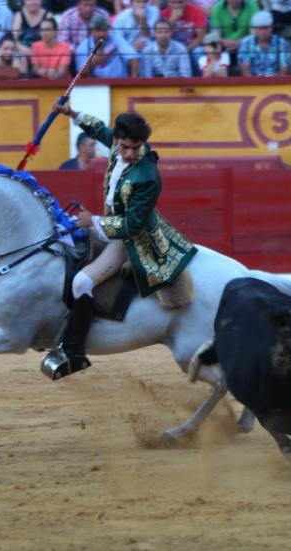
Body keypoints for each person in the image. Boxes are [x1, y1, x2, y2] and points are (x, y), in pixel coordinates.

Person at [43, 102, 198, 378]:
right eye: (124, 147)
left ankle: (75, 351)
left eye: (135, 148)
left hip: (132, 240)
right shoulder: (117, 145)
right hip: (108, 224)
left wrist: (95, 222)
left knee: (82, 281)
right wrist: (71, 113)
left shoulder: (148, 175)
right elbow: (100, 129)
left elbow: (132, 225)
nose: (129, 154)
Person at [74, 15, 139, 78]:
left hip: (120, 83)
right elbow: (80, 75)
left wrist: (134, 81)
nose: (101, 34)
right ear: (91, 31)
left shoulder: (116, 39)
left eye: (104, 30)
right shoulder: (83, 47)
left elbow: (133, 58)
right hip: (97, 85)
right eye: (98, 30)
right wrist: (91, 63)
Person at [238, 10, 291, 76]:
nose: (263, 31)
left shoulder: (282, 44)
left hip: (276, 83)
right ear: (254, 29)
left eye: (266, 28)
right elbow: (245, 70)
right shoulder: (246, 43)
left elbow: (284, 70)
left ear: (271, 28)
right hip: (252, 84)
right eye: (260, 28)